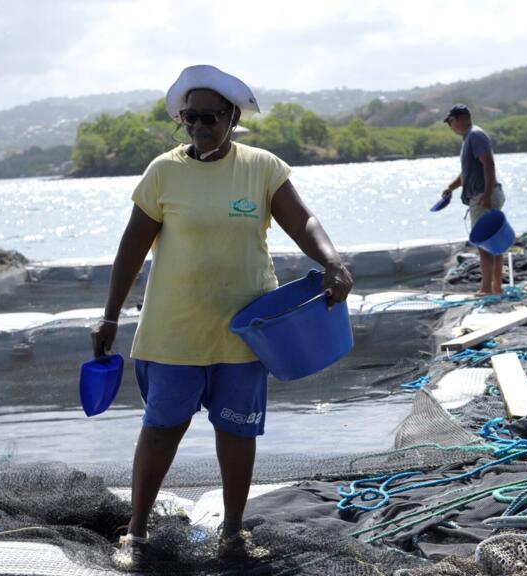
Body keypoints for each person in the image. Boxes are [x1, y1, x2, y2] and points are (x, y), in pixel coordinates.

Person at [89, 64, 353, 571]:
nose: (200, 126)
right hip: (174, 334)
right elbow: (131, 247)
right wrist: (109, 316)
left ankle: (232, 534)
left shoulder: (262, 167)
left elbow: (304, 221)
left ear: (233, 117)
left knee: (237, 433)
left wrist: (332, 260)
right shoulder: (163, 172)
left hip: (244, 335)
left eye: (210, 117)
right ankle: (137, 533)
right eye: (190, 118)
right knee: (162, 428)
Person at [440, 104, 506, 295]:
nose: (450, 126)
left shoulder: (475, 135)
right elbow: (468, 172)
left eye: (451, 122)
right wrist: (451, 187)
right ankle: (496, 288)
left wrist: (486, 194)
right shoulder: (470, 137)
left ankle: (487, 289)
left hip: (484, 195)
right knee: (494, 242)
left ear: (460, 119)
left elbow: (489, 164)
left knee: (485, 243)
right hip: (484, 194)